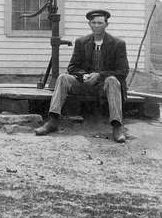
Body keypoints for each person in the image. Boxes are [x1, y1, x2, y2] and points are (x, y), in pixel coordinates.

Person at [35, 9, 129, 143]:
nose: (97, 26)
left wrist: (100, 75)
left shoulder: (118, 44)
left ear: (106, 25)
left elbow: (123, 71)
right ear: (89, 24)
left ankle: (117, 126)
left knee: (113, 80)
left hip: (105, 86)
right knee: (63, 78)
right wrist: (83, 75)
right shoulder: (81, 42)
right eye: (94, 23)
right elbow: (72, 67)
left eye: (100, 23)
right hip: (85, 84)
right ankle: (53, 120)